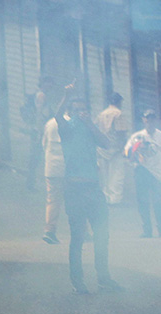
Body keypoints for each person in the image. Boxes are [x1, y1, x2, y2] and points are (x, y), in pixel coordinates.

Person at [54, 83, 121, 295]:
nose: (80, 113)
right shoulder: (66, 128)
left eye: (84, 109)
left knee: (102, 234)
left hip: (93, 188)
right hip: (74, 189)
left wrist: (91, 124)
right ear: (70, 112)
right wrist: (66, 96)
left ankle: (103, 277)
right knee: (78, 236)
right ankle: (77, 280)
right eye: (76, 110)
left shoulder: (89, 128)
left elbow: (106, 143)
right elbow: (57, 116)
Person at [125, 109, 161, 238]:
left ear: (156, 121)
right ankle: (147, 230)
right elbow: (126, 152)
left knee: (159, 202)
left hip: (157, 173)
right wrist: (136, 150)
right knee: (143, 202)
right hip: (141, 170)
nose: (149, 121)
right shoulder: (137, 136)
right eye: (147, 119)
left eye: (152, 119)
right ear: (144, 120)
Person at [95, 93, 128, 205]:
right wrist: (124, 146)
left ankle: (105, 198)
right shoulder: (118, 114)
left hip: (102, 148)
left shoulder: (101, 114)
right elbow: (121, 132)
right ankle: (115, 199)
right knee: (116, 175)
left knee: (104, 176)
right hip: (115, 149)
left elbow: (96, 130)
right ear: (118, 102)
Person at [25, 77, 56, 193]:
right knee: (36, 157)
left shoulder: (40, 94)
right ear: (44, 83)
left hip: (37, 130)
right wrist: (39, 131)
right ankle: (31, 183)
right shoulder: (41, 95)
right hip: (39, 131)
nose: (51, 87)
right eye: (49, 84)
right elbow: (39, 114)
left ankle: (31, 182)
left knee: (36, 157)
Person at [41, 113, 65, 244]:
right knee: (77, 200)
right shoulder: (72, 123)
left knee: (53, 201)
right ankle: (83, 231)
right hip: (69, 168)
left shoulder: (50, 123)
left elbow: (43, 144)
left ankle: (49, 230)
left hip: (51, 168)